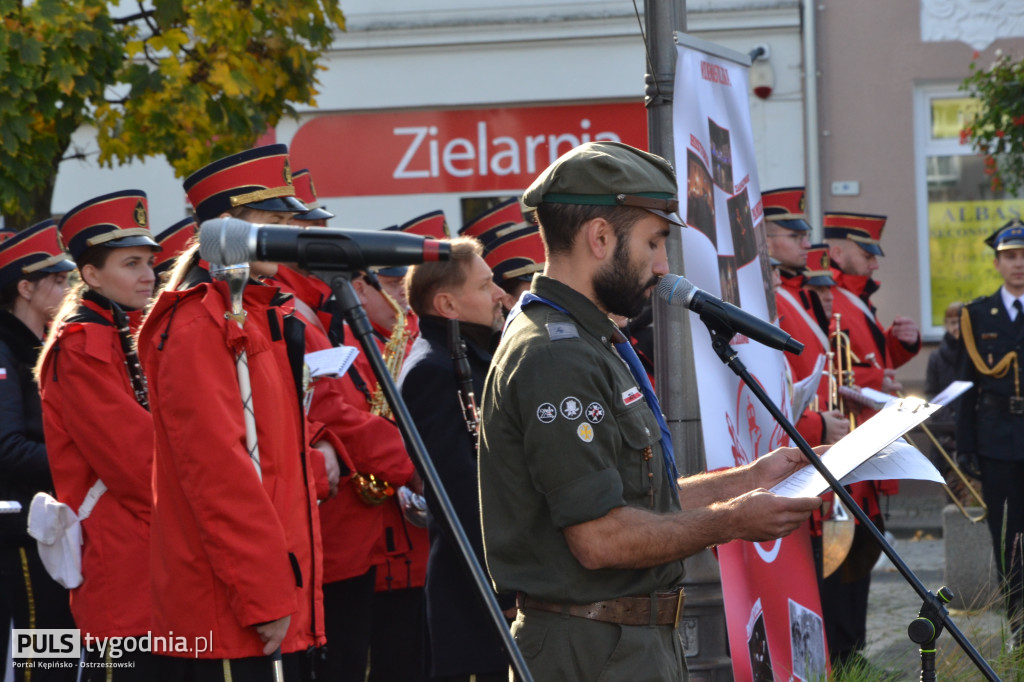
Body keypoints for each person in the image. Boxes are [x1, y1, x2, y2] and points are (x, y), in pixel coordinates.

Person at [477, 141, 821, 681]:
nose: (663, 267)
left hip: (620, 643)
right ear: (599, 238)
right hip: (590, 652)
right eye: (653, 243)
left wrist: (752, 478)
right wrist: (732, 521)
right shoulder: (555, 354)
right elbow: (601, 538)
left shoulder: (587, 340)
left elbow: (636, 503)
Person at [138, 144, 334, 681]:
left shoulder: (255, 310)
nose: (285, 234)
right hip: (231, 614)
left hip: (265, 600)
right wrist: (264, 592)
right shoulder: (200, 323)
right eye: (271, 221)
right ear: (226, 228)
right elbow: (217, 472)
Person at [36, 191, 161, 680]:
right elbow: (136, 461)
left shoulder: (115, 329)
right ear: (90, 275)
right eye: (131, 263)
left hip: (144, 550)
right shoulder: (82, 344)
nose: (148, 274)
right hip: (123, 558)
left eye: (149, 261)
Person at [399, 236, 511, 682]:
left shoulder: (473, 355)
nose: (501, 293)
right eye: (485, 286)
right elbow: (459, 498)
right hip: (474, 591)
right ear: (447, 304)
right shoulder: (433, 370)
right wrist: (504, 585)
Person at [823, 210, 921, 666]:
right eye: (867, 253)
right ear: (838, 251)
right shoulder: (828, 297)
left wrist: (902, 344)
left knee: (861, 550)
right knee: (844, 553)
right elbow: (830, 368)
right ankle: (843, 652)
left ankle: (852, 649)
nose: (875, 263)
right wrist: (881, 373)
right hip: (846, 446)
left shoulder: (854, 298)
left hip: (863, 443)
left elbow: (868, 360)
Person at [0, 220, 76, 682]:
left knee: (59, 652)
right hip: (21, 532)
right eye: (59, 280)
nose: (69, 289)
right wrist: (85, 466)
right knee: (43, 658)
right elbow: (6, 448)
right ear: (25, 288)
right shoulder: (6, 352)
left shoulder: (38, 348)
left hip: (48, 524)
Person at [955, 219, 1024, 649]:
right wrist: (965, 447)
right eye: (1011, 257)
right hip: (997, 441)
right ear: (998, 263)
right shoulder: (977, 315)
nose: (1019, 265)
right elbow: (966, 387)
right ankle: (1018, 624)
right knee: (1007, 538)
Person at [763, 187, 847, 447]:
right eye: (796, 236)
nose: (807, 245)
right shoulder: (770, 299)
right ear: (765, 240)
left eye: (806, 236)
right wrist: (815, 425)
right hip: (799, 434)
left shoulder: (798, 295)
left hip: (815, 428)